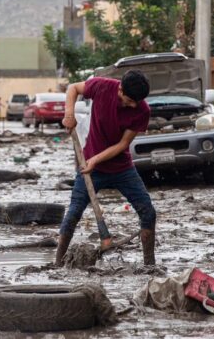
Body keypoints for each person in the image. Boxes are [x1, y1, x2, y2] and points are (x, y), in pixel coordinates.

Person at [55, 70, 157, 266]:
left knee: (148, 212)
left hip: (122, 169)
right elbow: (73, 88)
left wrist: (95, 160)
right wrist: (69, 114)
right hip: (90, 169)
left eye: (137, 102)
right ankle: (57, 263)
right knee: (74, 212)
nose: (133, 105)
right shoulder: (102, 86)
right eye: (129, 101)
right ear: (120, 89)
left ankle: (149, 265)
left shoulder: (142, 110)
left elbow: (122, 144)